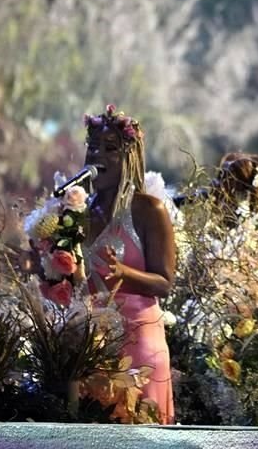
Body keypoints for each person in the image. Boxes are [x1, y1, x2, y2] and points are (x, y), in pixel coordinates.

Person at [82, 104, 177, 424]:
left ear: (129, 157)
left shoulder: (149, 210)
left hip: (140, 347)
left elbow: (164, 283)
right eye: (92, 147)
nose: (97, 155)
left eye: (110, 148)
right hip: (91, 347)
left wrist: (124, 274)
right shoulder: (78, 212)